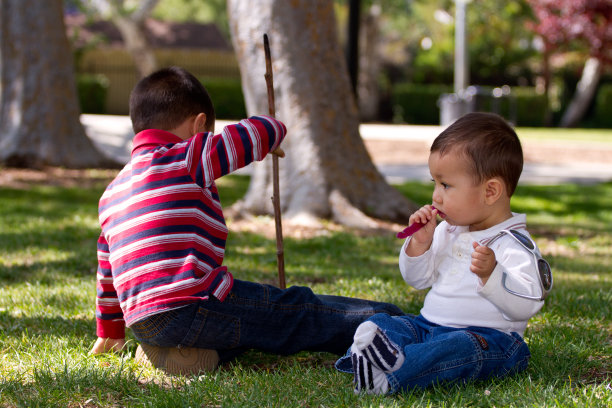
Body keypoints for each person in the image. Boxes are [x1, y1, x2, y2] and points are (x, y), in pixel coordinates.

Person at [91, 66, 403, 374]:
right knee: (296, 311)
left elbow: (106, 270)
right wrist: (271, 130)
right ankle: (391, 324)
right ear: (198, 126)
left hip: (145, 321)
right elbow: (256, 133)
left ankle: (179, 352)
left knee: (253, 325)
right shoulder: (187, 155)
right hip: (192, 303)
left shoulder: (112, 191)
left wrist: (110, 333)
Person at [336, 112, 552, 394]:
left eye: (446, 185)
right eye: (434, 184)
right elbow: (417, 280)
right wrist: (420, 245)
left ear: (490, 192)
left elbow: (528, 303)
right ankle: (381, 361)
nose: (436, 196)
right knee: (385, 323)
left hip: (489, 340)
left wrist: (493, 275)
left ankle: (388, 374)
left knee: (457, 348)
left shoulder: (512, 243)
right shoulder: (448, 231)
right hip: (428, 327)